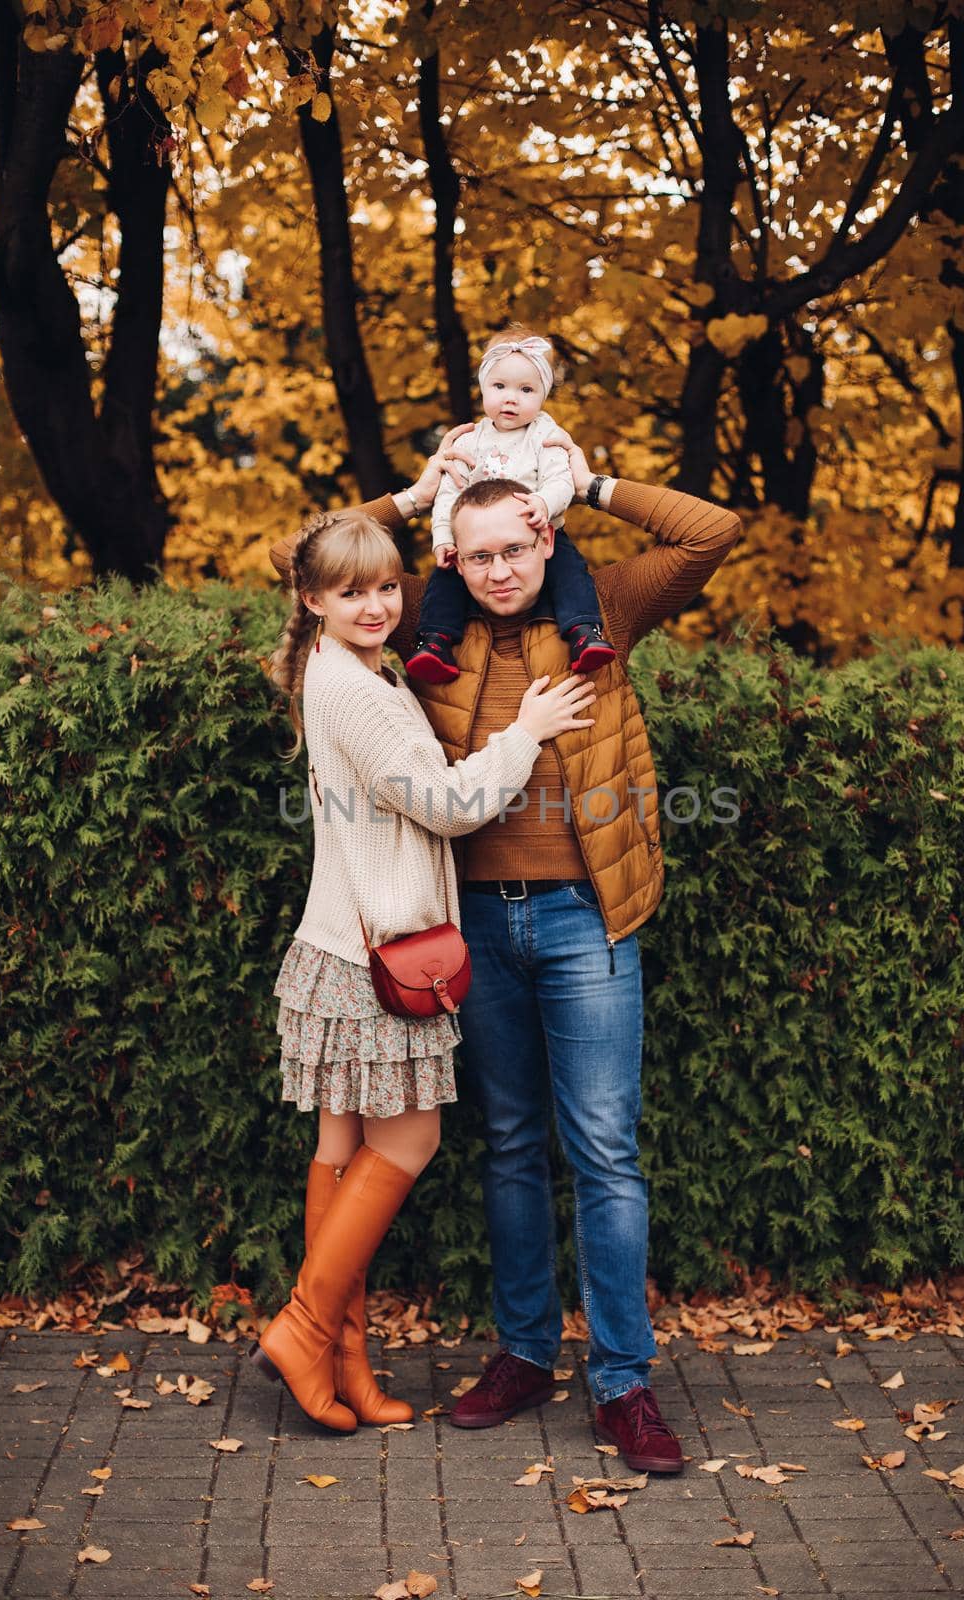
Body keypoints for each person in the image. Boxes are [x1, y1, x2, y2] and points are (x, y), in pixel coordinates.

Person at [269, 423, 741, 1472]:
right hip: (466, 927)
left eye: (513, 549)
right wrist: (415, 493)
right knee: (511, 1145)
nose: (496, 570)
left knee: (604, 1153)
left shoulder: (603, 609)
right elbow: (307, 568)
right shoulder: (418, 644)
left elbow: (713, 534)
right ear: (449, 557)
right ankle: (525, 1353)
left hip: (584, 916)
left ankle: (620, 1382)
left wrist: (591, 480)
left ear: (543, 545)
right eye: (474, 553)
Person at [249, 503, 597, 1432]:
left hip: (340, 943)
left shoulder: (344, 666)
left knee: (339, 1154)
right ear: (313, 598)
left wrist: (417, 500)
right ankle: (304, 1326)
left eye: (386, 587)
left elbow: (332, 546)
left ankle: (338, 1365)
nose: (375, 605)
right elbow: (444, 806)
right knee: (408, 1145)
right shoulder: (358, 691)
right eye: (350, 591)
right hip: (379, 953)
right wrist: (524, 732)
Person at [404, 327, 615, 684]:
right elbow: (449, 492)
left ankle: (583, 632)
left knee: (570, 573)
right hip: (473, 537)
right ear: (483, 389)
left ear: (543, 396)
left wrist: (544, 503)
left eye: (526, 390)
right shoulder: (469, 439)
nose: (511, 399)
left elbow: (562, 480)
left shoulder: (545, 435)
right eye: (499, 387)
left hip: (539, 532)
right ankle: (435, 641)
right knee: (445, 578)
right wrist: (442, 535)